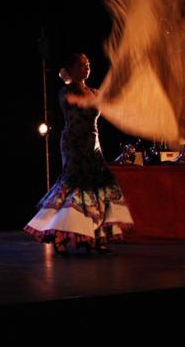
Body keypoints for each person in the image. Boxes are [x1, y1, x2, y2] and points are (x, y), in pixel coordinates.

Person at [24, 53, 134, 254]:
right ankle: (61, 236)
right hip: (74, 144)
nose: (86, 68)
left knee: (98, 189)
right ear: (72, 69)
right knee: (75, 188)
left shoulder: (94, 92)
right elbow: (74, 102)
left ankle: (97, 236)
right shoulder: (64, 92)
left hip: (94, 144)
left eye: (88, 64)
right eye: (81, 65)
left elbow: (110, 104)